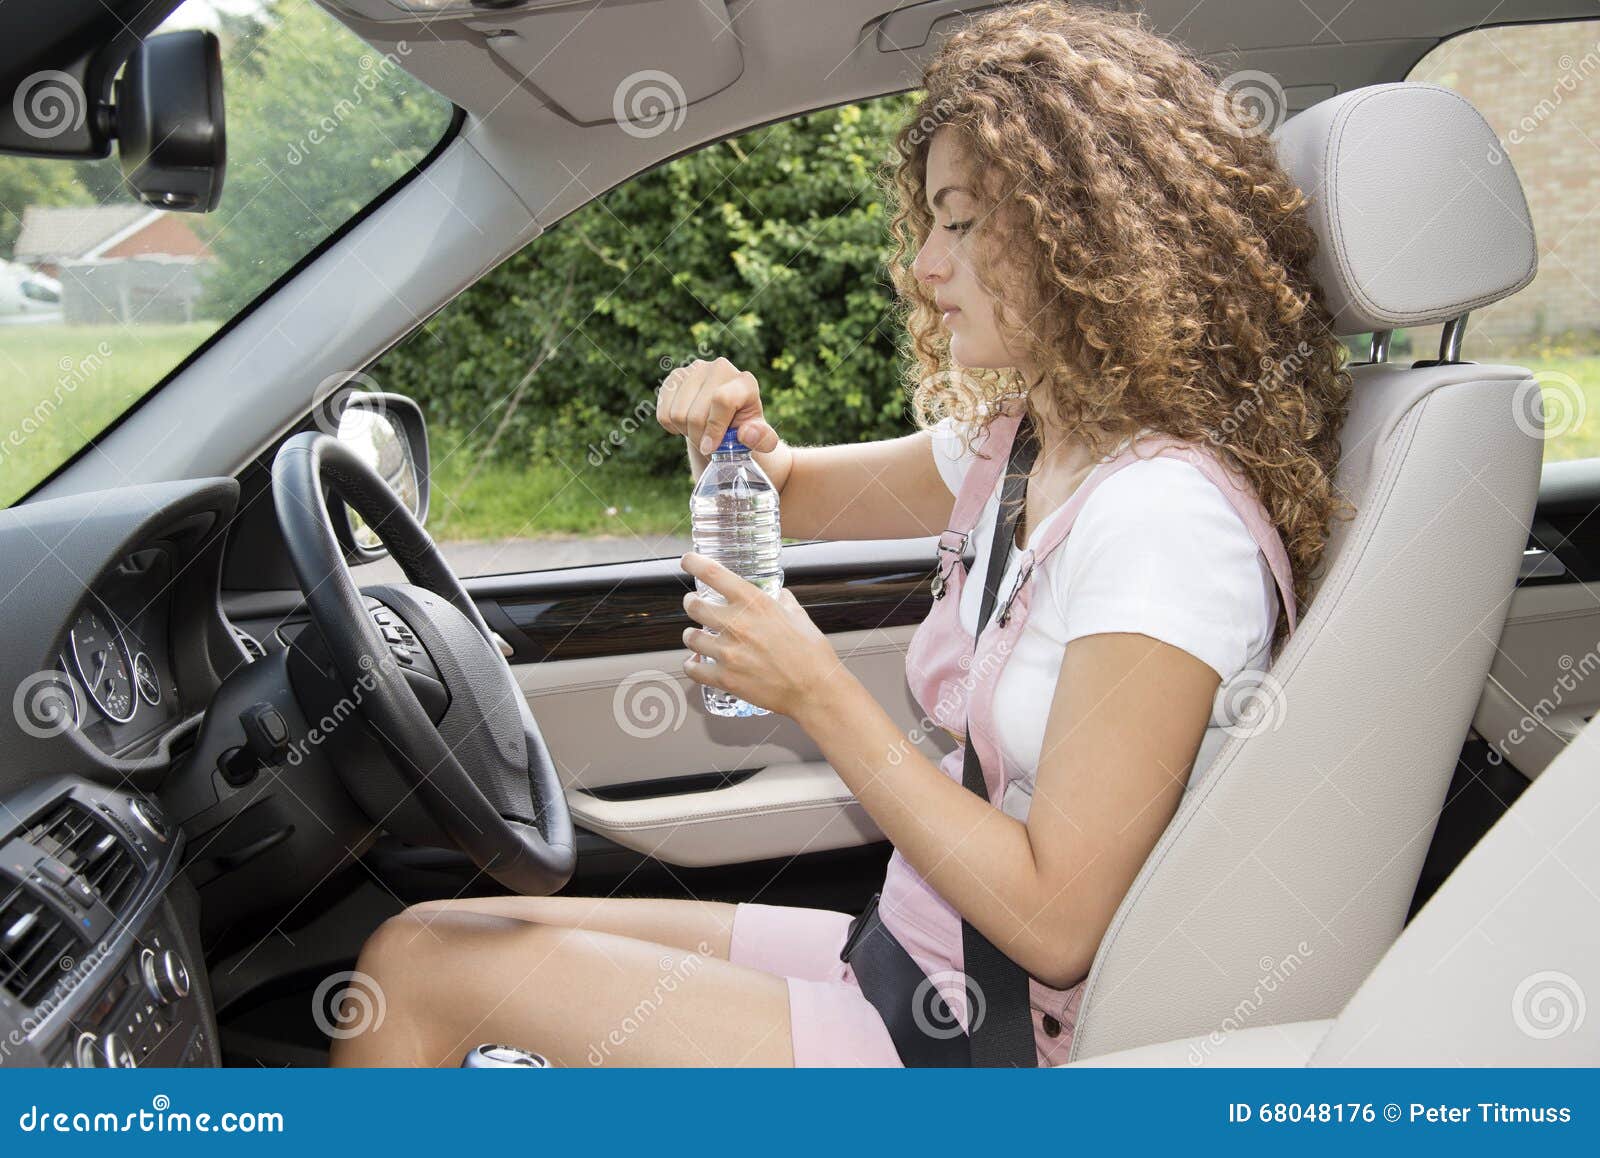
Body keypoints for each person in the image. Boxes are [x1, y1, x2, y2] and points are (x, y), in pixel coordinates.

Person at [330, 1, 1352, 1068]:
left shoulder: (1164, 522)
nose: (923, 267)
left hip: (979, 1042)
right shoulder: (1032, 442)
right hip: (902, 960)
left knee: (418, 982)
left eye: (959, 222)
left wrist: (817, 691)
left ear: (1083, 227)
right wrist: (734, 441)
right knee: (424, 938)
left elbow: (1058, 926)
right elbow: (790, 495)